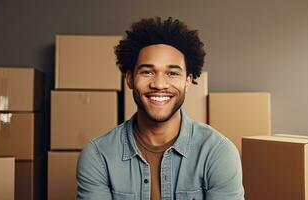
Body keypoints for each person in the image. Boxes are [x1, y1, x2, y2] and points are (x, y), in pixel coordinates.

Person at [77, 17, 244, 200]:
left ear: (188, 81)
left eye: (172, 73)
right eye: (147, 72)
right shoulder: (98, 155)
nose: (159, 84)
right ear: (130, 78)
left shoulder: (218, 152)